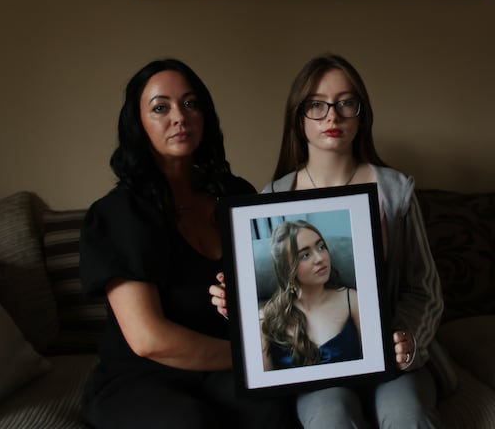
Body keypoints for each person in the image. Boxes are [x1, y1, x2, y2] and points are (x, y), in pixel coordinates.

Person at [211, 53, 444, 428]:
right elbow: (266, 312)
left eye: (345, 103)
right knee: (328, 419)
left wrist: (407, 339)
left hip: (391, 359)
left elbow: (425, 288)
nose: (332, 117)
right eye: (317, 106)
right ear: (298, 117)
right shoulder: (273, 195)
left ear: (361, 113)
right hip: (314, 368)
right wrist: (235, 301)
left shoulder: (395, 189)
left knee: (407, 416)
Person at [79, 58, 296, 429]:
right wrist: (252, 356)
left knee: (274, 409)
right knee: (189, 422)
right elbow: (149, 339)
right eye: (160, 107)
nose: (179, 117)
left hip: (220, 369)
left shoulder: (236, 194)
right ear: (138, 125)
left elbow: (271, 291)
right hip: (141, 375)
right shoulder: (117, 214)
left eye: (190, 103)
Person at [260, 219, 361, 371]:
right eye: (305, 255)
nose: (320, 258)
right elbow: (263, 386)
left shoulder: (352, 300)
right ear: (287, 269)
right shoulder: (267, 317)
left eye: (321, 247)